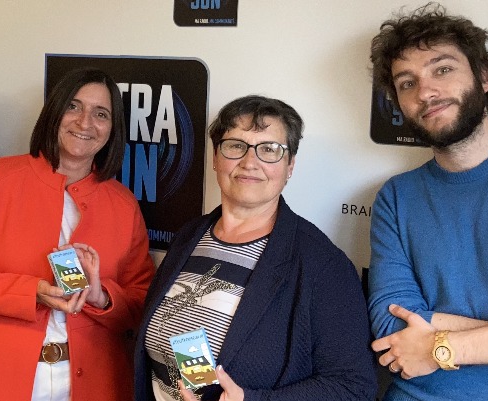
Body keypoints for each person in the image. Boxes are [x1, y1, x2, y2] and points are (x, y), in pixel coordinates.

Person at [367, 3, 488, 400]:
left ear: (485, 77)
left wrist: (441, 346)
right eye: (407, 83)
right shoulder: (396, 197)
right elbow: (392, 326)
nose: (425, 92)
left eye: (442, 69)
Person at [0, 68, 155, 401]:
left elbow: (142, 300)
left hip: (95, 383)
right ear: (54, 112)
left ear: (113, 128)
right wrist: (30, 292)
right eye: (73, 106)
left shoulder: (123, 204)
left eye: (101, 114)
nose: (85, 122)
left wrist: (101, 297)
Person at [134, 95, 377, 401]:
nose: (250, 162)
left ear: (290, 166)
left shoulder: (322, 265)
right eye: (236, 146)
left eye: (269, 149)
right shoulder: (189, 237)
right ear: (215, 157)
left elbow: (354, 387)